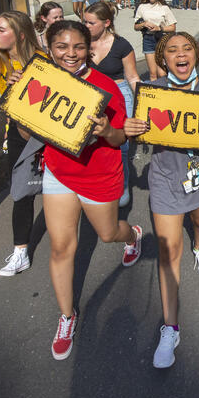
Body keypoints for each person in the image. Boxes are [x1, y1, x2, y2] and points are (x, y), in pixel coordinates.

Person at [124, 33, 199, 368]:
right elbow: (140, 131)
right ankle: (170, 328)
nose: (180, 54)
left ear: (196, 54)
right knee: (168, 249)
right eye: (172, 50)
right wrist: (131, 127)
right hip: (165, 175)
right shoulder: (153, 90)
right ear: (162, 59)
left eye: (186, 48)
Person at [36, 20, 141, 361]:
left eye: (78, 47)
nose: (70, 53)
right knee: (61, 247)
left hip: (98, 173)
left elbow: (120, 138)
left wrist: (106, 129)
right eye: (62, 47)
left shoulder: (104, 85)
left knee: (108, 234)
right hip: (59, 171)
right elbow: (27, 132)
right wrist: (18, 95)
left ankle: (132, 236)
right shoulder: (41, 79)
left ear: (89, 49)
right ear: (50, 48)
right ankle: (67, 316)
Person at [0, 11, 47, 277]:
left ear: (21, 34)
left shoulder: (43, 60)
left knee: (57, 190)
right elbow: (8, 104)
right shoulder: (0, 62)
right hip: (16, 132)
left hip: (45, 134)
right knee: (21, 189)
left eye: (2, 29)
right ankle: (20, 252)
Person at [85, 2, 140, 208]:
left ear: (106, 23)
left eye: (91, 23)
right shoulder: (82, 43)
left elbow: (133, 77)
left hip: (119, 95)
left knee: (121, 146)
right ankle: (96, 183)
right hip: (90, 95)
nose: (86, 26)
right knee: (91, 142)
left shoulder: (122, 45)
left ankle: (122, 185)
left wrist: (146, 103)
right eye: (85, 22)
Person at [134, 0, 177, 80]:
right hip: (148, 39)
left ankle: (166, 92)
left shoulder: (164, 8)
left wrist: (160, 28)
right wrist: (144, 24)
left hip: (161, 40)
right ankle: (156, 94)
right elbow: (135, 26)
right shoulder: (142, 7)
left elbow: (173, 28)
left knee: (162, 73)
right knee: (153, 74)